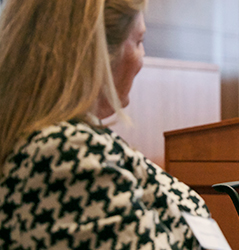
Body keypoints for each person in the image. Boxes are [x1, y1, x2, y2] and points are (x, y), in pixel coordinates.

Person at [0, 0, 212, 249]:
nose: (142, 59)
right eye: (139, 42)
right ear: (99, 53)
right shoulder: (67, 152)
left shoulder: (70, 140)